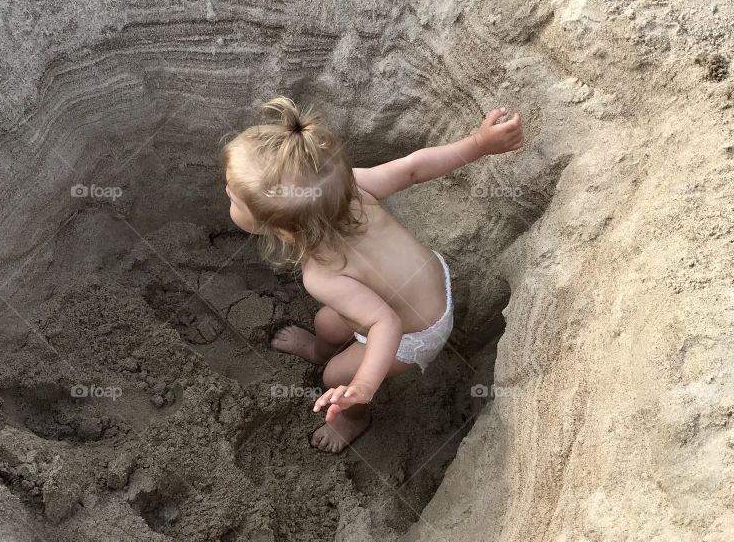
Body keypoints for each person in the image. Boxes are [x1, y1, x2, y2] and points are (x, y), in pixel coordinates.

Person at [222, 96, 524, 452]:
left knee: (335, 375)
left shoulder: (322, 275)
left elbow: (385, 324)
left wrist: (363, 385)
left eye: (233, 199)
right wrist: (477, 144)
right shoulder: (350, 187)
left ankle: (354, 419)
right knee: (327, 322)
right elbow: (413, 169)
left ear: (281, 230)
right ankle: (320, 348)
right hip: (423, 284)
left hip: (415, 331)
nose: (227, 197)